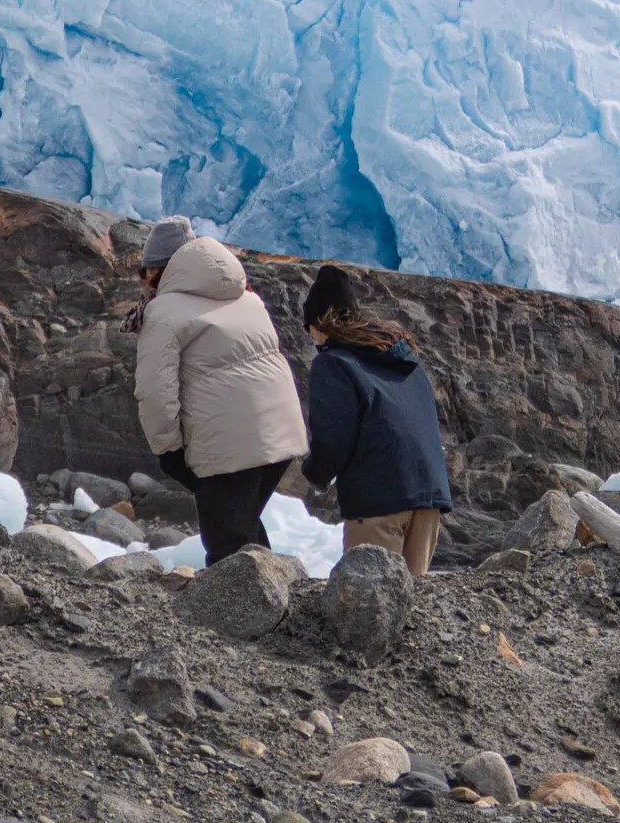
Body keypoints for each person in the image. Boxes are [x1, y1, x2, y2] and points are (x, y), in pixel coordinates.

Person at [135, 235, 308, 562]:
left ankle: (244, 610)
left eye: (144, 271)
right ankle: (277, 595)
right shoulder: (248, 297)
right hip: (278, 435)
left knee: (227, 548)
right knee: (244, 528)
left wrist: (168, 450)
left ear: (160, 269)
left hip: (230, 443)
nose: (142, 280)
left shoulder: (163, 312)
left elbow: (155, 393)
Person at [300, 263, 451, 576]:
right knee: (410, 608)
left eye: (309, 327)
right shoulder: (405, 360)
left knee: (369, 610)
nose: (311, 337)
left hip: (379, 502)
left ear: (318, 322)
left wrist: (315, 473)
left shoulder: (333, 363)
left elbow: (334, 438)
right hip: (429, 498)